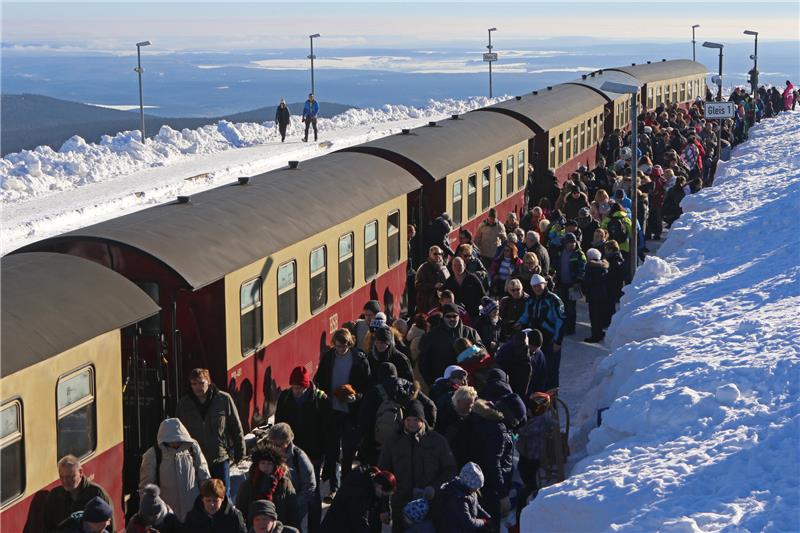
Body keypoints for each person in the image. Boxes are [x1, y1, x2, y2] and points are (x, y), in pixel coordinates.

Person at [379, 401, 457, 532]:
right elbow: (383, 475)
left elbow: (450, 469)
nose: (412, 423)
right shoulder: (392, 442)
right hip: (400, 506)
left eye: (416, 420)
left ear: (423, 420)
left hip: (429, 506)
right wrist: (384, 508)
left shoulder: (438, 441)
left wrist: (435, 488)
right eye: (408, 420)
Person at [314, 328, 371, 502]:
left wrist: (357, 397)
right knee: (332, 450)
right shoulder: (329, 358)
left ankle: (345, 486)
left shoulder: (359, 360)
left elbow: (366, 386)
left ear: (350, 343)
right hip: (332, 411)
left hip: (351, 413)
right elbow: (320, 381)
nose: (340, 349)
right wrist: (323, 397)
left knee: (347, 452)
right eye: (337, 346)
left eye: (344, 345)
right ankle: (333, 487)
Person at [176, 368, 245, 491]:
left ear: (208, 381)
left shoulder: (223, 399)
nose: (198, 387)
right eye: (194, 384)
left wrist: (240, 451)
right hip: (195, 460)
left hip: (219, 457)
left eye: (201, 383)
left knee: (222, 495)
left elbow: (235, 426)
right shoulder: (184, 404)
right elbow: (179, 433)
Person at [468, 393, 525, 525]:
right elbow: (492, 463)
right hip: (490, 491)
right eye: (515, 421)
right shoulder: (497, 429)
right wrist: (502, 494)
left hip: (481, 486)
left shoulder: (484, 419)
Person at [139, 417, 211, 521]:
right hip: (167, 515)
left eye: (177, 439)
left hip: (194, 512)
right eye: (170, 440)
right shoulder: (152, 455)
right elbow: (146, 488)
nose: (174, 443)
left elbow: (204, 476)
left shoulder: (192, 448)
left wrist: (207, 502)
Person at [517, 274, 566, 390]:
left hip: (550, 341)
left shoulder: (553, 300)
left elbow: (561, 320)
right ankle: (538, 402)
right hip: (534, 341)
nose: (537, 289)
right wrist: (519, 323)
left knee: (551, 372)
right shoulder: (530, 300)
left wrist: (557, 341)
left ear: (544, 284)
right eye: (534, 286)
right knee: (535, 371)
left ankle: (552, 403)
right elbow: (525, 315)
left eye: (539, 285)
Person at [417, 302, 482, 388]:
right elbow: (423, 361)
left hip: (467, 383)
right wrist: (432, 382)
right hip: (443, 384)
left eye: (454, 316)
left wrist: (463, 356)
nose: (452, 319)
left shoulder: (470, 332)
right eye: (448, 316)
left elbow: (482, 349)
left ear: (459, 316)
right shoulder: (432, 336)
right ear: (443, 317)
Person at [44, 455, 114, 533]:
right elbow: (48, 526)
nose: (66, 481)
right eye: (62, 477)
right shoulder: (54, 496)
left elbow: (110, 526)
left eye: (70, 477)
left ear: (80, 472)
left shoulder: (97, 493)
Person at [236, 446, 300, 529]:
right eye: (263, 463)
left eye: (269, 463)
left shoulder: (284, 483)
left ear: (275, 465)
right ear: (257, 464)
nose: (266, 467)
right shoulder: (247, 485)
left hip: (280, 528)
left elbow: (293, 510)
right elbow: (240, 512)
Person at [320, 466, 395, 533]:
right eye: (384, 494)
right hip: (337, 526)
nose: (382, 497)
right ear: (379, 486)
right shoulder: (359, 490)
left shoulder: (370, 483)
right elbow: (359, 521)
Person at [431, 462, 491, 531]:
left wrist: (487, 517)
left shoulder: (468, 491)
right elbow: (469, 523)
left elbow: (476, 504)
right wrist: (484, 521)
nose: (477, 490)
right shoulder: (458, 498)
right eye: (476, 487)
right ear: (469, 485)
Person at [183, 478, 247, 533]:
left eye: (215, 501)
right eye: (208, 500)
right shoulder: (192, 517)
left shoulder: (234, 516)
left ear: (222, 499)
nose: (212, 504)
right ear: (202, 499)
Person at [555, 232, 586, 336]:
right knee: (562, 307)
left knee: (571, 308)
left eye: (573, 242)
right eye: (569, 242)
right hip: (562, 284)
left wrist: (578, 281)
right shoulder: (561, 252)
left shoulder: (579, 254)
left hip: (573, 285)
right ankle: (564, 327)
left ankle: (571, 328)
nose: (572, 244)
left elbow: (582, 269)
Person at [444, 256, 486, 322]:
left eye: (459, 265)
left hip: (473, 315)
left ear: (464, 266)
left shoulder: (472, 278)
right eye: (455, 265)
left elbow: (483, 295)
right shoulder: (449, 282)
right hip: (457, 316)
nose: (457, 267)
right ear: (452, 267)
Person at [582, 248, 610, 343]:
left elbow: (588, 281)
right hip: (602, 294)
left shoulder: (590, 267)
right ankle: (599, 332)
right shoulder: (604, 266)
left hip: (593, 294)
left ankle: (595, 335)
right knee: (600, 315)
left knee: (594, 316)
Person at [414, 246, 450, 312]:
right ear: (430, 255)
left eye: (439, 254)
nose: (438, 256)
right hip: (427, 302)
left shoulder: (443, 267)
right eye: (435, 254)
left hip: (441, 300)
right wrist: (433, 286)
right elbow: (418, 285)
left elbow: (448, 280)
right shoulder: (423, 268)